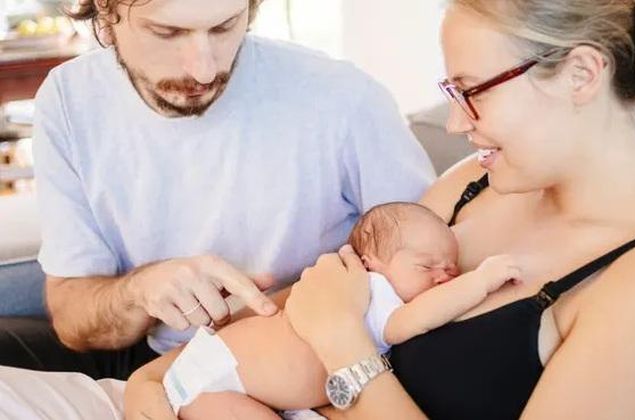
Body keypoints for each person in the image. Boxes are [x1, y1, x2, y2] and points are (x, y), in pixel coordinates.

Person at [281, 0, 635, 419]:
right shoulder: (475, 182)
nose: (455, 124)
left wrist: (343, 345)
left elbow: (336, 319)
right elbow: (341, 294)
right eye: (452, 93)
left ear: (581, 74)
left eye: (472, 91)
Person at [0, 0, 435, 380]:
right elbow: (72, 316)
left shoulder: (343, 98)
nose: (204, 69)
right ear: (105, 10)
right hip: (153, 357)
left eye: (225, 26)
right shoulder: (69, 99)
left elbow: (438, 267)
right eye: (167, 32)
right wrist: (141, 291)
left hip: (296, 364)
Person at [123, 202, 522, 419]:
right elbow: (418, 319)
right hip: (214, 383)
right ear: (370, 263)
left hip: (215, 378)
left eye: (451, 268)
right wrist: (478, 281)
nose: (444, 275)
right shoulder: (374, 292)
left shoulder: (344, 285)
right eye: (427, 266)